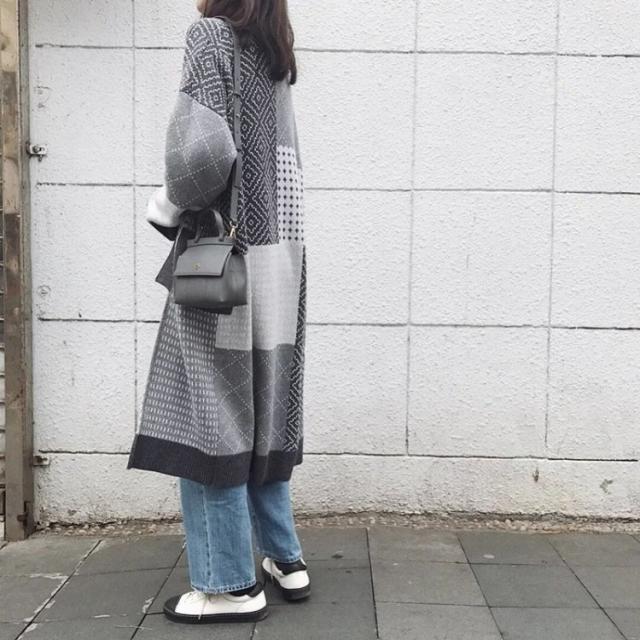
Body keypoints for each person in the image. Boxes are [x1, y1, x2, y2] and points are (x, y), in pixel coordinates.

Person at [126, 0, 309, 623]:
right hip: (281, 257)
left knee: (212, 413)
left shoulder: (210, 36)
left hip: (227, 264)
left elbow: (201, 157)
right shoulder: (274, 48)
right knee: (264, 409)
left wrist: (167, 205)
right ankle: (284, 557)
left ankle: (229, 584)